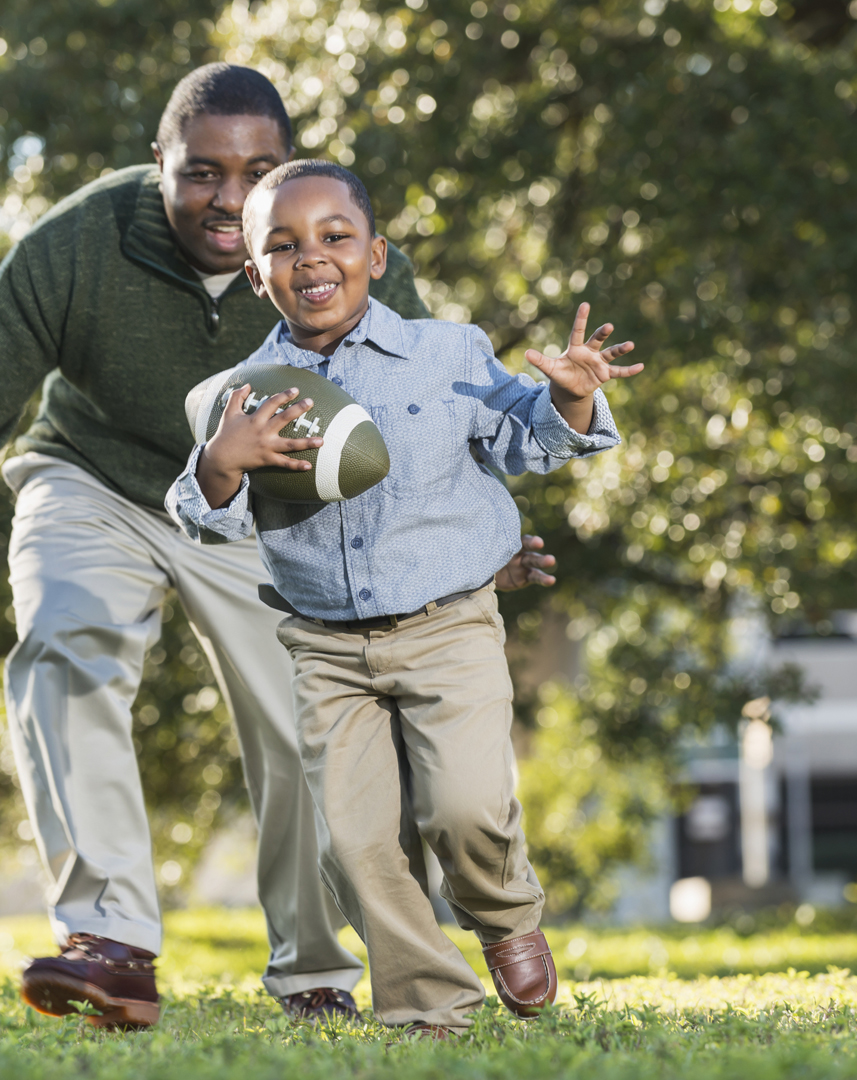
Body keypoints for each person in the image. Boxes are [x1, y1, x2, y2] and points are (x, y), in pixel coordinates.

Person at [0, 65, 555, 1029]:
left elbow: (424, 416)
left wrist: (468, 550)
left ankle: (315, 967)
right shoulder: (80, 243)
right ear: (157, 167)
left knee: (305, 734)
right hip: (91, 479)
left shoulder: (330, 243)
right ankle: (111, 941)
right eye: (201, 173)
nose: (231, 196)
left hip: (267, 506)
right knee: (65, 643)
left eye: (256, 169)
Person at [167, 161, 642, 1036]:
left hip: (450, 624)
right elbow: (205, 520)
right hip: (325, 646)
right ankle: (430, 1006)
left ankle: (504, 918)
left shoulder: (447, 351)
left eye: (335, 237)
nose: (312, 257)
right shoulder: (239, 398)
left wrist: (570, 396)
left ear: (376, 255)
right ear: (254, 274)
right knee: (356, 845)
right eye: (283, 244)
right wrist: (223, 461)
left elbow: (524, 441)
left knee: (463, 809)